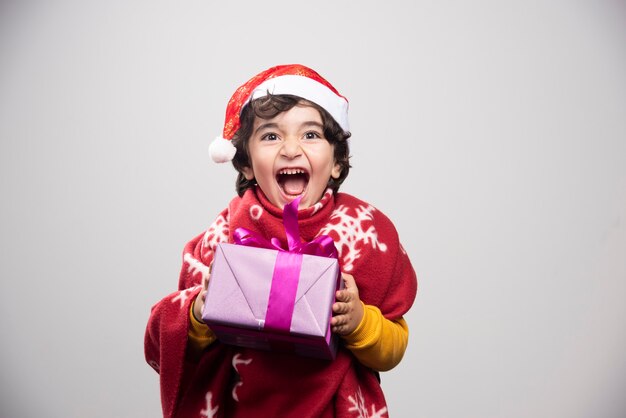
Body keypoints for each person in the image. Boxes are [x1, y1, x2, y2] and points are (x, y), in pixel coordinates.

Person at [145, 64, 418, 418]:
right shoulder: (224, 235)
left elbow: (394, 348)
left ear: (336, 162)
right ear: (245, 164)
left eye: (310, 135)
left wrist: (359, 321)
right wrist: (201, 309)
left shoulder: (364, 233)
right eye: (271, 136)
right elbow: (163, 341)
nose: (290, 149)